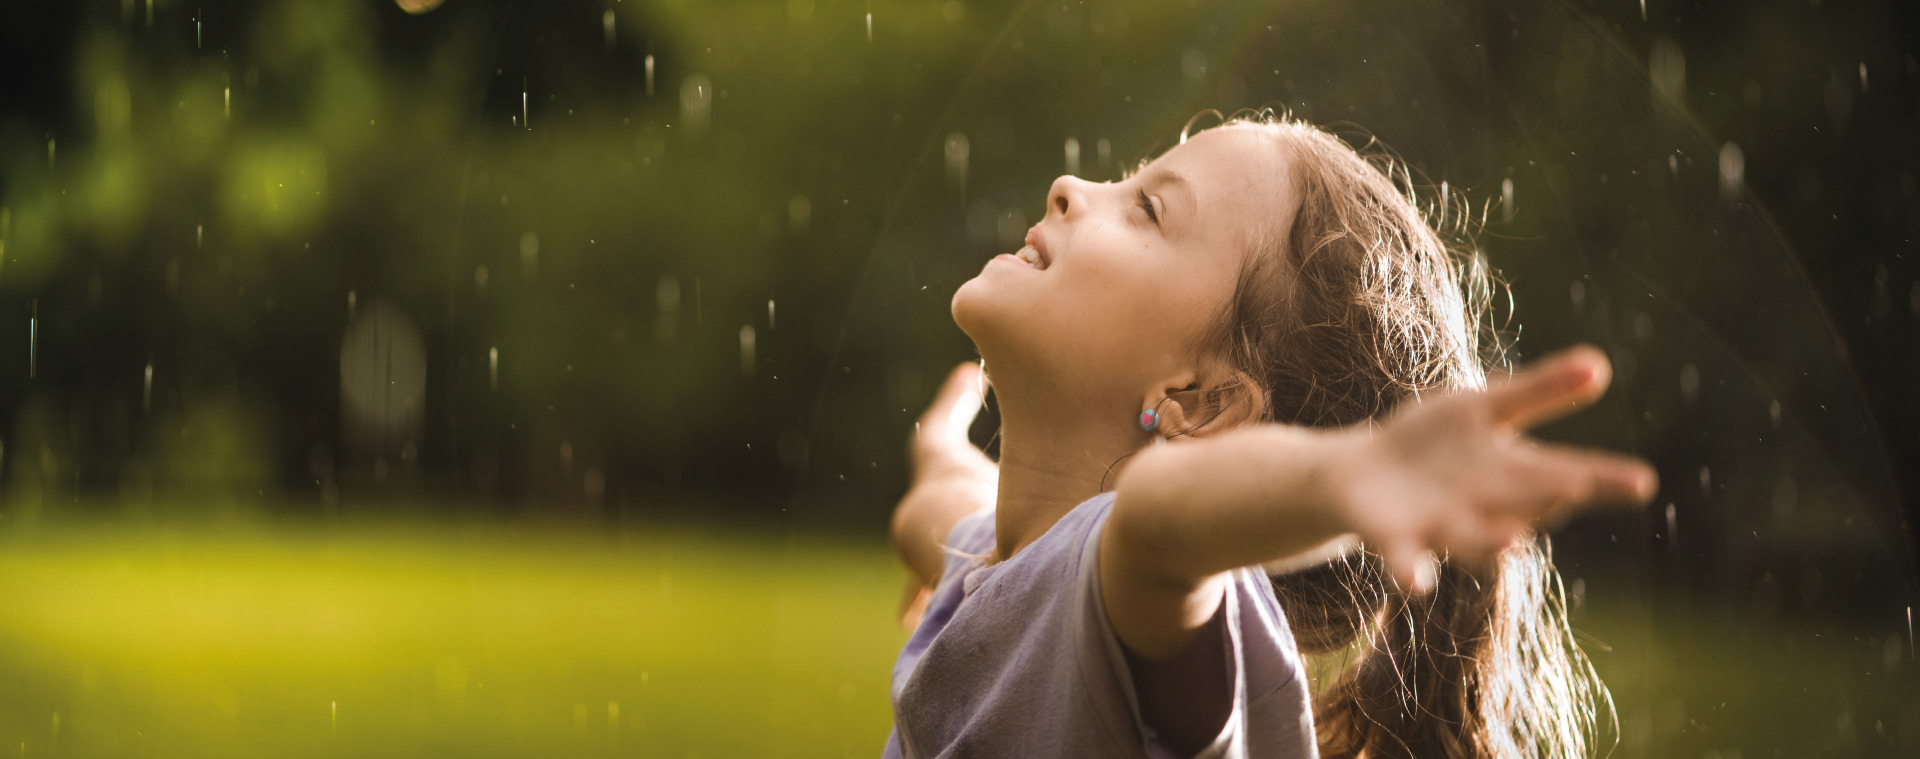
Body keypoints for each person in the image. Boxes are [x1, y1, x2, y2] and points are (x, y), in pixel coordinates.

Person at [882, 109, 1658, 759]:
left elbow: (1159, 521)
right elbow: (940, 505)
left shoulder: (1131, 595)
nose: (1071, 188)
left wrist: (1348, 472)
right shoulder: (995, 565)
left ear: (1199, 402)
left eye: (1148, 209)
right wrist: (939, 443)